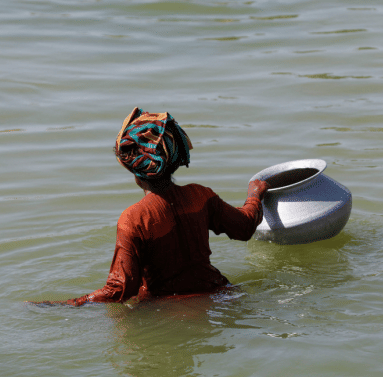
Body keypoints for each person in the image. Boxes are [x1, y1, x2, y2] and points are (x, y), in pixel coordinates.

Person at [35, 107, 269, 306]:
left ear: (132, 170)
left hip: (165, 311)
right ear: (175, 157)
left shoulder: (133, 219)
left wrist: (70, 304)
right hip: (221, 295)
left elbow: (120, 289)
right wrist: (254, 194)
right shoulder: (200, 195)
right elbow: (245, 226)